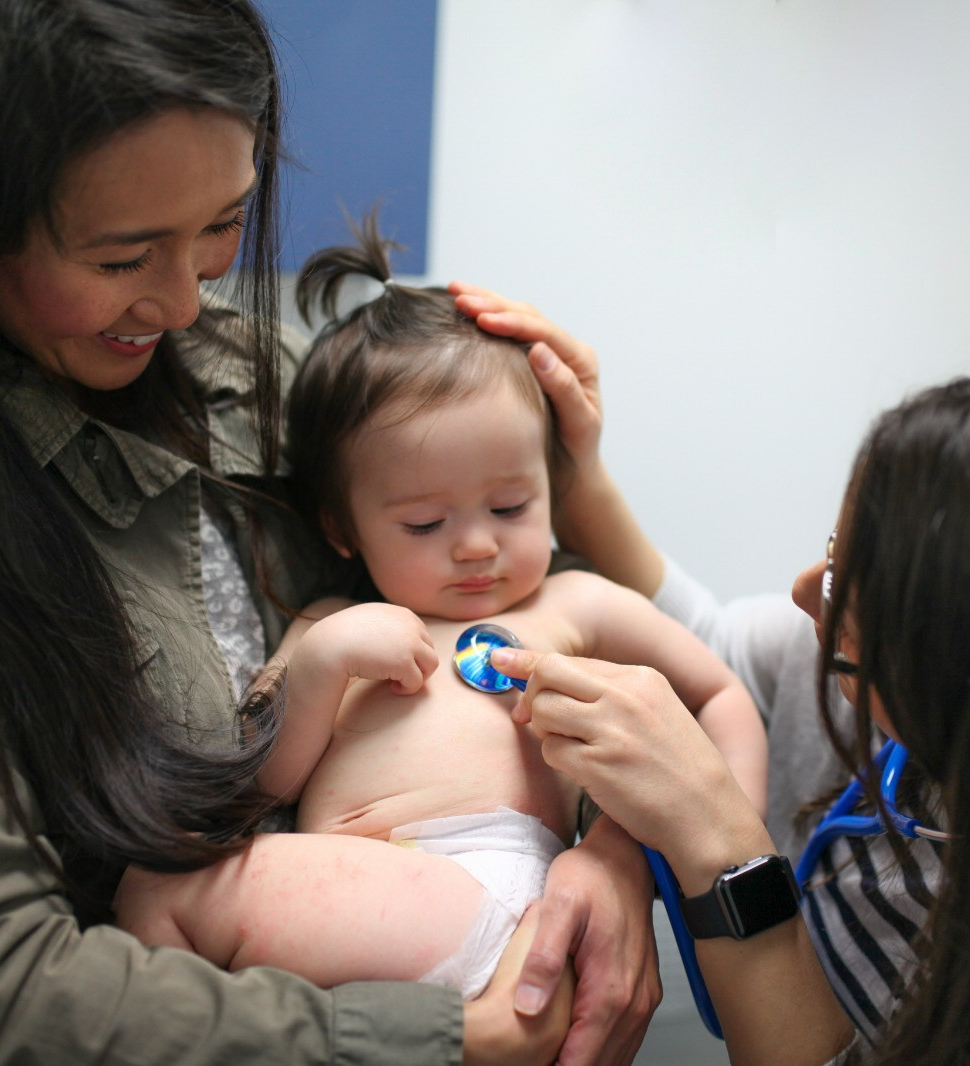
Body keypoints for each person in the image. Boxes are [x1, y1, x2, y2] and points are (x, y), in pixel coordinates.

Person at [0, 3, 661, 1063]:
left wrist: (607, 853)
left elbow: (558, 644)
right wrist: (442, 1039)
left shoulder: (254, 371)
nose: (179, 301)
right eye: (118, 258)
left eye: (220, 224)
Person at [469, 328, 970, 1064]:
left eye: (849, 591)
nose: (804, 594)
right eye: (832, 551)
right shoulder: (854, 664)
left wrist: (716, 844)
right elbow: (706, 647)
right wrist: (574, 473)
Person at [113, 220, 768, 1006]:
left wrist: (715, 852)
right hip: (369, 901)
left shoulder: (572, 600)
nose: (477, 546)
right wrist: (320, 666)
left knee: (157, 895)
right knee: (160, 885)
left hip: (489, 883)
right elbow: (254, 788)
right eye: (425, 523)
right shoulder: (328, 624)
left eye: (511, 504)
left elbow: (724, 695)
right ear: (341, 530)